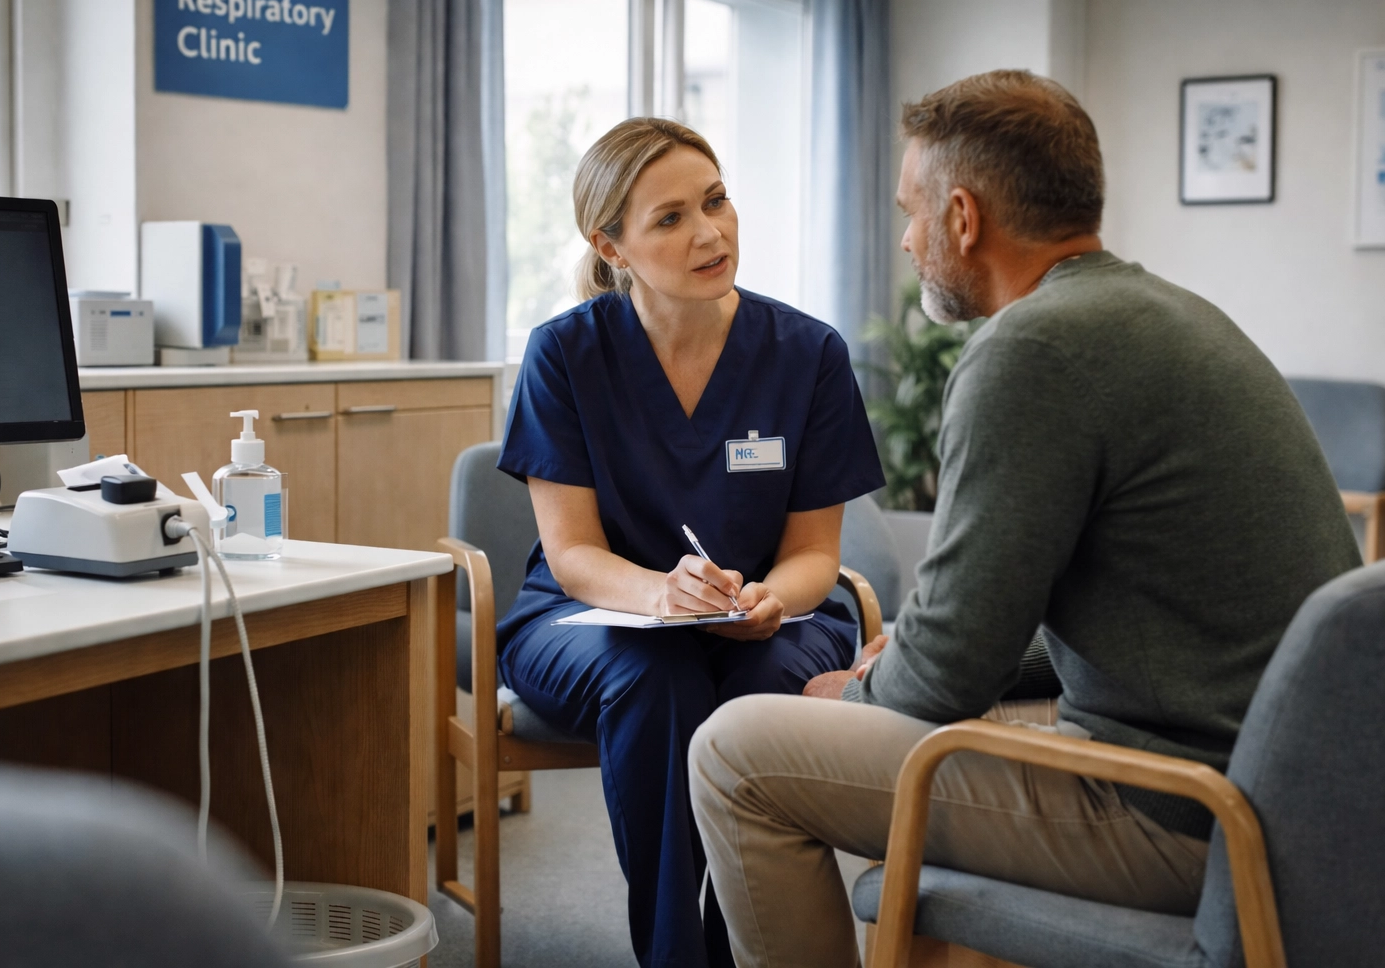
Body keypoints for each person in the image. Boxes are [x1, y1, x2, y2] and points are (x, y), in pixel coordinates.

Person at [688, 70, 1361, 968]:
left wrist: (857, 692)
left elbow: (942, 679)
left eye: (912, 212)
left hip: (1185, 815)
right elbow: (1129, 615)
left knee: (735, 751)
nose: (906, 238)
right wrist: (940, 662)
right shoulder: (1172, 314)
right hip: (1284, 793)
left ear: (963, 219)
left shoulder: (1031, 351)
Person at [495, 117, 884, 968]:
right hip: (590, 615)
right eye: (670, 218)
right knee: (654, 676)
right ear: (613, 245)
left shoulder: (808, 353)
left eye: (716, 201)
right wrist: (660, 597)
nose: (710, 233)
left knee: (763, 690)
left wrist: (774, 598)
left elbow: (817, 552)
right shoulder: (563, 355)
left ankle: (737, 941)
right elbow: (571, 555)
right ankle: (677, 954)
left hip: (778, 614)